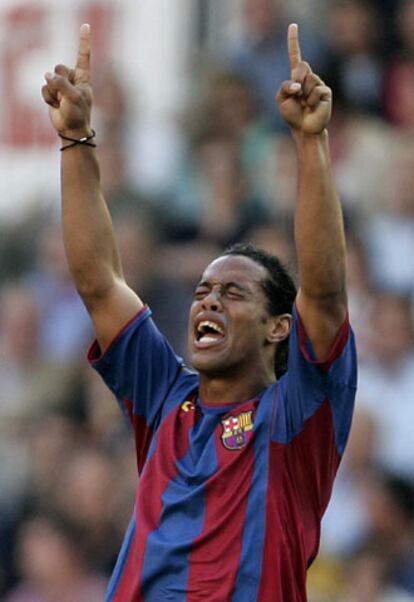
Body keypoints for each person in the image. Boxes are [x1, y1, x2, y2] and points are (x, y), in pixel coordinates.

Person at [41, 22, 357, 602]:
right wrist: (77, 140)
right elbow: (100, 282)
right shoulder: (165, 397)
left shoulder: (297, 416)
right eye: (203, 291)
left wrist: (311, 144)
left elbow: (325, 293)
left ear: (278, 327)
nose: (209, 299)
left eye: (233, 293)